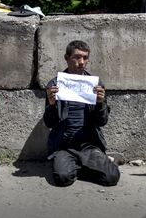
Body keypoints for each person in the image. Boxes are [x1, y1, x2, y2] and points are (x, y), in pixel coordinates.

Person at [43, 40, 120, 187]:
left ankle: (80, 165)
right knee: (62, 178)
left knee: (112, 177)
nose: (81, 62)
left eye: (85, 58)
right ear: (66, 58)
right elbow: (49, 123)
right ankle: (76, 165)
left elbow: (102, 122)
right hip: (64, 146)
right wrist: (51, 105)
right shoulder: (55, 85)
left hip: (89, 145)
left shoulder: (96, 86)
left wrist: (100, 103)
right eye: (77, 57)